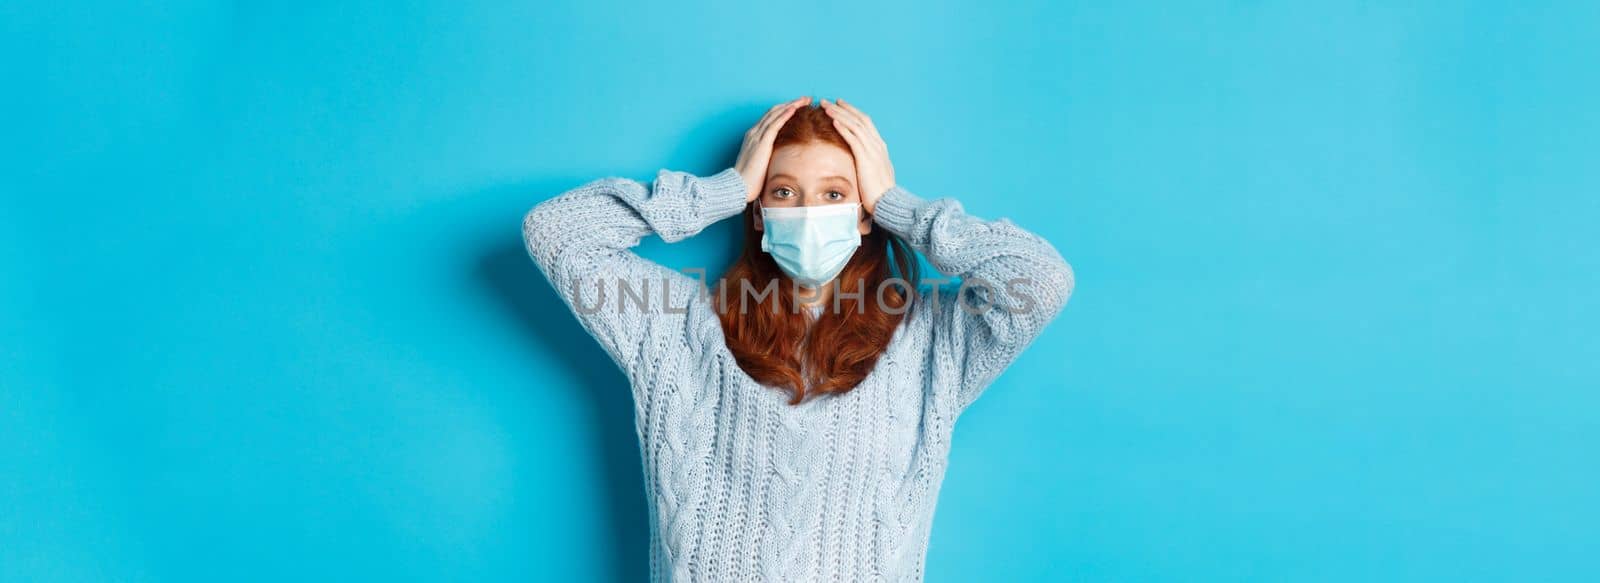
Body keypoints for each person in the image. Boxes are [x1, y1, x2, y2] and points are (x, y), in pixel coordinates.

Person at [522, 96, 1074, 582]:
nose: (810, 213)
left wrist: (897, 205)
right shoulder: (675, 325)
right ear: (758, 214)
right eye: (784, 191)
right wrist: (724, 190)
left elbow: (1042, 280)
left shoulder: (931, 340)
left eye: (836, 193)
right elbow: (556, 233)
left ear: (864, 215)